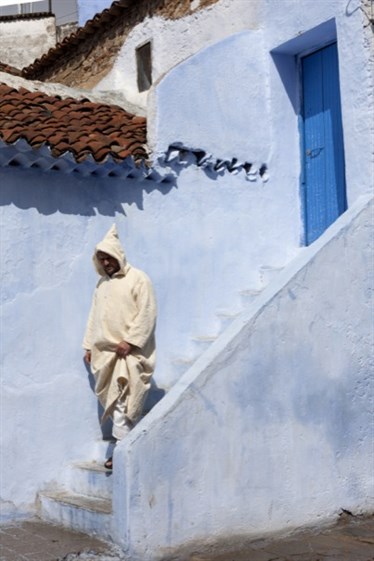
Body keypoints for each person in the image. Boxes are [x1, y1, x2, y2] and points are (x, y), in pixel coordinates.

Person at [83, 224, 157, 470]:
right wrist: (88, 346)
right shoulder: (101, 285)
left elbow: (147, 314)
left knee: (125, 401)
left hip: (130, 353)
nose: (106, 263)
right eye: (101, 259)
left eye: (109, 257)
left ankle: (120, 452)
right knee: (115, 403)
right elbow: (94, 316)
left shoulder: (139, 279)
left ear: (118, 255)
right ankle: (125, 448)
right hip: (105, 353)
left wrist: (131, 341)